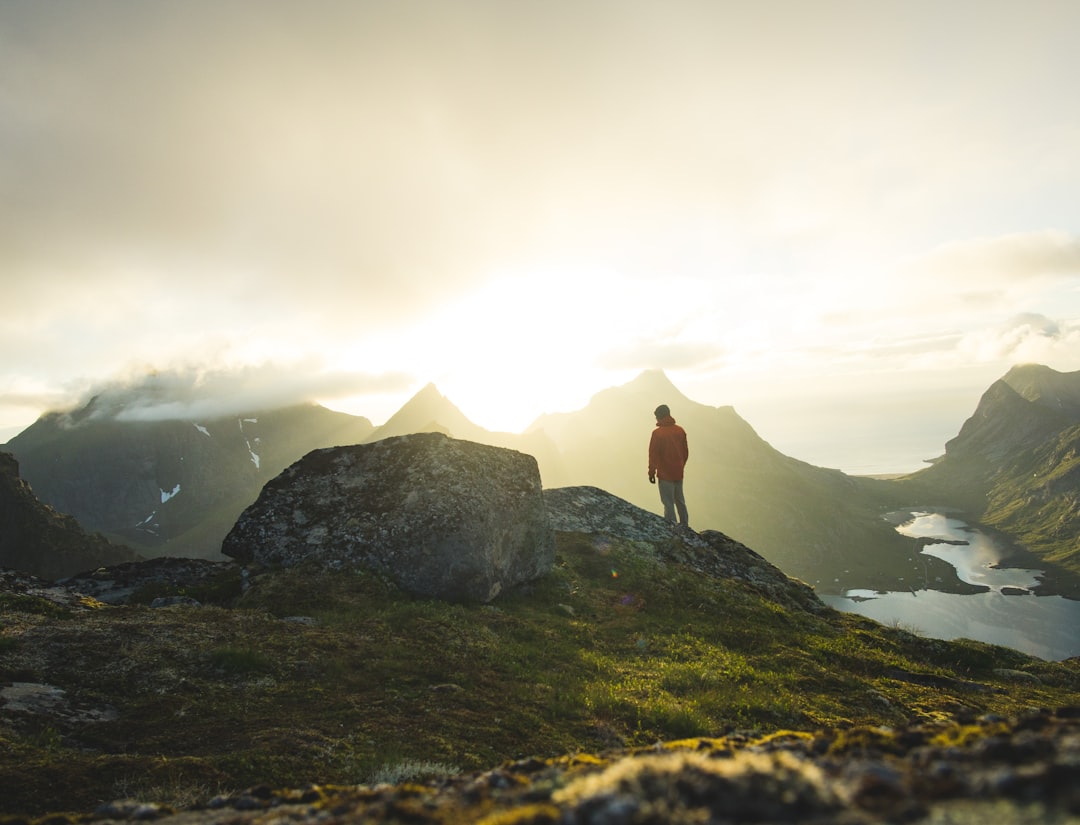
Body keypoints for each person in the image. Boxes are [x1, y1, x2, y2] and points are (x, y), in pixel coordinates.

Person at [648, 404, 689, 527]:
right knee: (680, 501)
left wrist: (651, 472)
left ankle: (672, 528)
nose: (656, 419)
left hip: (665, 474)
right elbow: (685, 452)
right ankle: (685, 525)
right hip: (678, 472)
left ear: (660, 415)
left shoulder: (658, 434)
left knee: (668, 502)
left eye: (656, 416)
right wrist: (681, 465)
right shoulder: (680, 430)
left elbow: (653, 454)